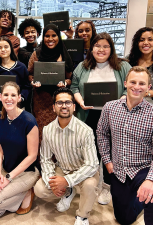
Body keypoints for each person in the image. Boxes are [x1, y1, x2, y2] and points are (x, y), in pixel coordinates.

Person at [97, 66, 153, 225]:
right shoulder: (110, 108)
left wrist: (151, 180)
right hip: (119, 171)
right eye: (133, 82)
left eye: (142, 83)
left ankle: (146, 193)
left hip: (143, 169)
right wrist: (107, 160)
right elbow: (102, 133)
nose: (137, 87)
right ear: (125, 83)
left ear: (148, 88)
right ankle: (138, 199)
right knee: (124, 219)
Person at [71, 32, 131, 206]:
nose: (101, 49)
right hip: (88, 115)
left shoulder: (123, 66)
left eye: (106, 46)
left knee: (110, 153)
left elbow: (130, 87)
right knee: (90, 152)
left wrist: (121, 100)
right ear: (92, 48)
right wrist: (81, 102)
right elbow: (74, 86)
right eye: (98, 46)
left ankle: (107, 188)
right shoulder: (82, 66)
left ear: (111, 48)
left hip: (113, 116)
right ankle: (89, 186)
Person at [35, 88, 99, 225]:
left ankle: (82, 216)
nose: (64, 106)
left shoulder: (85, 131)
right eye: (59, 103)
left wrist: (67, 180)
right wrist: (52, 183)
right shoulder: (47, 130)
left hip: (84, 172)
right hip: (62, 168)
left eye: (68, 102)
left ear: (74, 107)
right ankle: (68, 191)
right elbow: (45, 159)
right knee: (40, 189)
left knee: (90, 185)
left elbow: (92, 164)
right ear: (53, 107)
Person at [0, 82, 39, 218]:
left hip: (27, 172)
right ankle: (22, 194)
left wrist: (9, 178)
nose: (9, 98)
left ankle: (28, 189)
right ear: (0, 97)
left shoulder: (29, 120)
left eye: (13, 95)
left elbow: (32, 156)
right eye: (6, 95)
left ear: (19, 98)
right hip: (6, 169)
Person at [28, 24, 74, 142]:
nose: (50, 39)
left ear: (58, 37)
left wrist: (65, 82)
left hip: (59, 100)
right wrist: (33, 82)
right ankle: (42, 160)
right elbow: (29, 75)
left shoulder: (64, 54)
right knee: (41, 133)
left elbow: (70, 78)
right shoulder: (36, 54)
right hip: (40, 100)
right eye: (47, 36)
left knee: (59, 134)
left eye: (54, 35)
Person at [0, 36, 31, 117]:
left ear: (11, 48)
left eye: (6, 47)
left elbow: (27, 87)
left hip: (18, 109)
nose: (3, 50)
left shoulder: (21, 67)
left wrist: (20, 99)